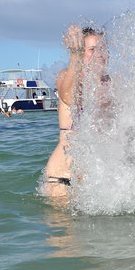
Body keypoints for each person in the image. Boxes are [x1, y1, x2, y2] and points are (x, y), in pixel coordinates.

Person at [43, 26, 105, 197]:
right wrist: (74, 57)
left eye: (103, 49)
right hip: (63, 178)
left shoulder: (110, 84)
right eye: (92, 49)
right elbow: (69, 97)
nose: (99, 54)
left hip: (94, 180)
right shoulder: (66, 76)